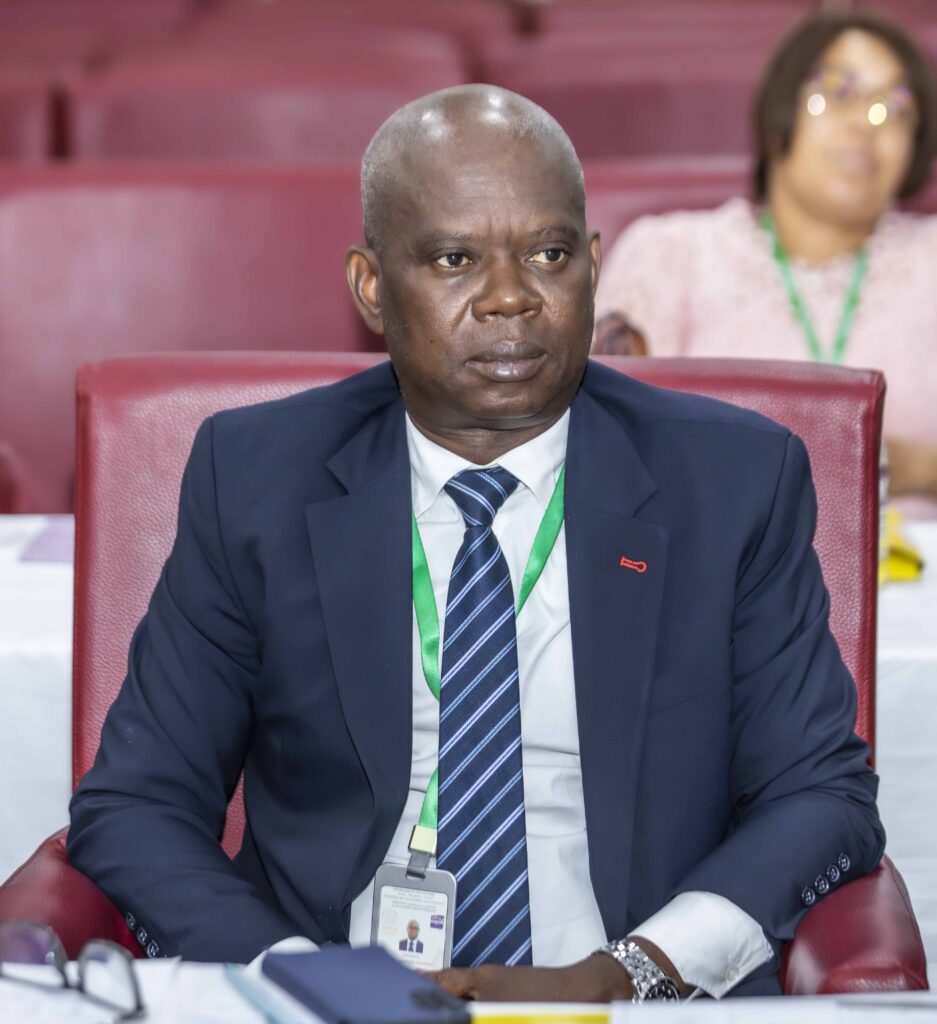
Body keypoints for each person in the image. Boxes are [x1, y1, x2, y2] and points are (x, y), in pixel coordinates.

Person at [68, 85, 883, 1002]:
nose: (509, 298)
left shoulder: (730, 483)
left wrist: (628, 976)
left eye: (547, 255)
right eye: (454, 260)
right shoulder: (257, 480)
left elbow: (820, 796)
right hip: (329, 994)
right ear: (371, 288)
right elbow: (135, 803)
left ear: (592, 267)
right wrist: (309, 984)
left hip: (624, 991)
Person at [594, 12, 937, 514]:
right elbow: (598, 449)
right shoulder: (671, 254)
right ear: (781, 108)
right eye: (839, 91)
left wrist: (918, 467)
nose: (868, 122)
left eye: (897, 105)